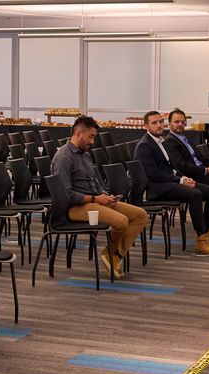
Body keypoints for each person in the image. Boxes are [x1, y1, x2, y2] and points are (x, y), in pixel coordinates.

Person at [49, 116, 151, 277]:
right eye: (91, 137)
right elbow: (66, 195)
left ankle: (115, 255)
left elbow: (96, 185)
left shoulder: (86, 155)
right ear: (78, 133)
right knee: (122, 222)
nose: (92, 142)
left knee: (140, 215)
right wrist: (96, 199)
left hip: (93, 202)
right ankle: (112, 254)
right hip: (74, 208)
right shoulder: (63, 157)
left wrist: (106, 196)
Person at [136, 110, 209, 256]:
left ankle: (208, 232)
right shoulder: (145, 145)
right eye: (154, 123)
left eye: (160, 122)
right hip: (159, 188)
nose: (159, 125)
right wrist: (180, 179)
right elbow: (153, 175)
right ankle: (201, 238)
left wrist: (184, 178)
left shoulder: (160, 141)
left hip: (170, 181)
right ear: (146, 126)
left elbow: (172, 167)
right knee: (196, 194)